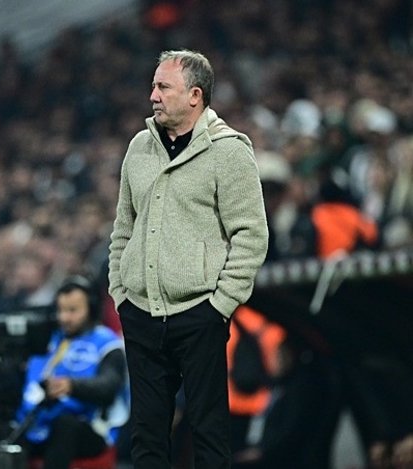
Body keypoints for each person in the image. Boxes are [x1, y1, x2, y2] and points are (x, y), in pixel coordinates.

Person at [108, 50, 269, 468]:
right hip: (140, 312)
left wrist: (220, 305)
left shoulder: (229, 151)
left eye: (164, 87)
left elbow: (251, 235)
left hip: (199, 313)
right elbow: (123, 228)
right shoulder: (139, 147)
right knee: (146, 436)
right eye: (154, 86)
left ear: (195, 95)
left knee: (208, 433)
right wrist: (121, 293)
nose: (153, 96)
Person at [15, 276, 129, 469]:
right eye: (60, 310)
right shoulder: (51, 340)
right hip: (41, 423)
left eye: (72, 311)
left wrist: (72, 386)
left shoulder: (107, 344)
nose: (64, 318)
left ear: (92, 309)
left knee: (65, 425)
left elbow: (108, 386)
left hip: (89, 428)